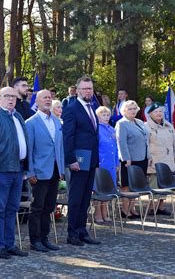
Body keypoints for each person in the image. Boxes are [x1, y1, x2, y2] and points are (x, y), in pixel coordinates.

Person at [0, 87, 29, 259]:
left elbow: (24, 142)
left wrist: (25, 168)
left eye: (14, 96)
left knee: (12, 209)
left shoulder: (17, 116)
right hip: (1, 171)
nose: (11, 99)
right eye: (7, 96)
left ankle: (10, 244)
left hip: (18, 169)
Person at [62, 76, 100, 246]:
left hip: (91, 160)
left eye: (90, 88)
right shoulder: (71, 109)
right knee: (76, 198)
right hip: (78, 161)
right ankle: (72, 233)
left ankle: (82, 230)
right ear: (77, 90)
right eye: (84, 88)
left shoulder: (92, 107)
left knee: (86, 198)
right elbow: (68, 136)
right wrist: (71, 160)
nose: (88, 91)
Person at [26, 90, 64, 252]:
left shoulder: (56, 121)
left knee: (49, 207)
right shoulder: (31, 123)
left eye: (50, 97)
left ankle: (45, 238)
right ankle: (35, 241)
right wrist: (30, 172)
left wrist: (61, 168)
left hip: (54, 170)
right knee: (37, 207)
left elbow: (60, 147)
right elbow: (29, 150)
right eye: (44, 98)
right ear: (37, 101)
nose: (48, 100)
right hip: (39, 171)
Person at [116, 100, 151, 219]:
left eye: (134, 108)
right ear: (124, 111)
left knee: (135, 185)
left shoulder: (140, 122)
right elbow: (121, 142)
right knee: (126, 185)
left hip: (142, 157)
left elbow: (146, 140)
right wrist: (126, 158)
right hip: (129, 159)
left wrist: (149, 156)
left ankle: (132, 208)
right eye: (130, 109)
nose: (132, 111)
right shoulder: (122, 123)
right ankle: (125, 210)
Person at [145, 102, 175, 215]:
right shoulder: (146, 126)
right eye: (156, 111)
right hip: (155, 159)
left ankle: (160, 207)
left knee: (166, 184)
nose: (159, 113)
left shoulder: (169, 125)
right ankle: (151, 207)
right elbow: (145, 144)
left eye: (160, 111)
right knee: (154, 184)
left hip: (168, 159)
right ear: (150, 114)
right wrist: (148, 157)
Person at [93, 106, 119, 223]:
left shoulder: (112, 129)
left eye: (108, 115)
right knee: (99, 189)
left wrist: (117, 162)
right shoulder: (96, 129)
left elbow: (115, 148)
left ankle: (105, 211)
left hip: (111, 164)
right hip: (101, 163)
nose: (106, 117)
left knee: (108, 189)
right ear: (98, 117)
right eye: (103, 115)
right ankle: (97, 212)